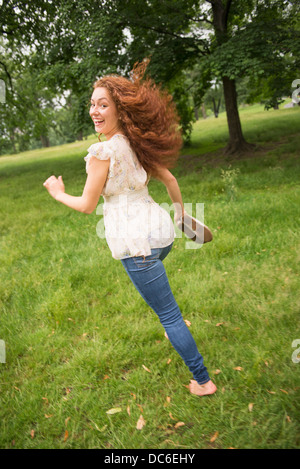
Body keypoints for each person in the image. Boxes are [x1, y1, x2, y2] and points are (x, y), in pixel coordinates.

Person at [43, 61, 217, 397]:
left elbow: (87, 205)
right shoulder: (136, 141)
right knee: (159, 287)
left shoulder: (102, 152)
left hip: (136, 244)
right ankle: (174, 325)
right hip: (161, 231)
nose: (95, 110)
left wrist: (58, 193)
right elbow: (169, 179)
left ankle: (203, 380)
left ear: (120, 111)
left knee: (169, 314)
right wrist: (180, 216)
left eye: (103, 104)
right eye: (93, 104)